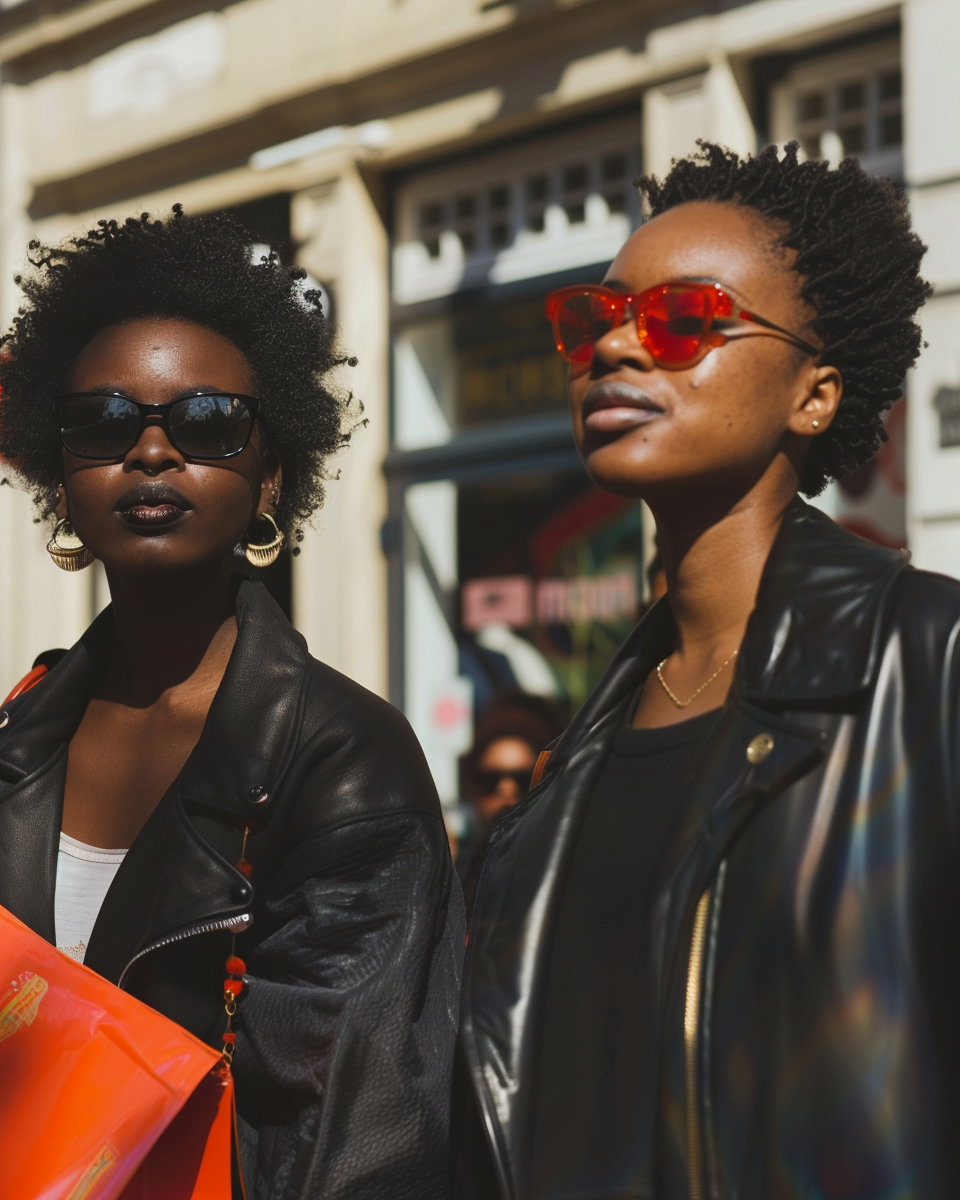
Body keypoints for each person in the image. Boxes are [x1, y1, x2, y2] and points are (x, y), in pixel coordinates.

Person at [455, 142, 958, 1200]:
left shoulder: (928, 662)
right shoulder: (566, 769)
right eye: (594, 320)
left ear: (814, 396)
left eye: (686, 320)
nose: (619, 349)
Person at [0, 208, 464, 1199]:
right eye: (106, 422)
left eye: (207, 423)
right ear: (62, 478)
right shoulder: (18, 735)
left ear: (269, 476)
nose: (154, 453)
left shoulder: (344, 756)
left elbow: (357, 1138)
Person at [456, 693, 566, 919]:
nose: (506, 789)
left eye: (522, 778)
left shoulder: (565, 869)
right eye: (489, 779)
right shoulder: (450, 869)